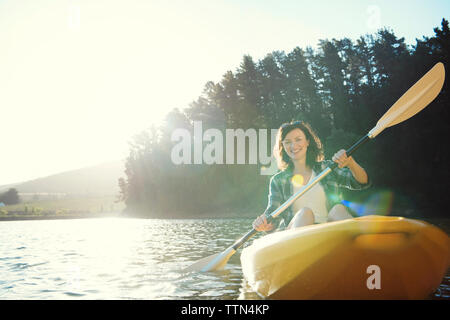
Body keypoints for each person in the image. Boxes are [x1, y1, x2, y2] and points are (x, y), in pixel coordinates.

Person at [253, 121, 371, 232]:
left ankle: (357, 243)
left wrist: (351, 163)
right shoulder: (278, 180)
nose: (293, 145)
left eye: (298, 139)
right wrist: (264, 223)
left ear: (307, 142)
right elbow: (272, 216)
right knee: (305, 213)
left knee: (338, 209)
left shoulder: (327, 168)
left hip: (328, 233)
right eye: (288, 142)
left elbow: (362, 182)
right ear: (282, 146)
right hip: (294, 235)